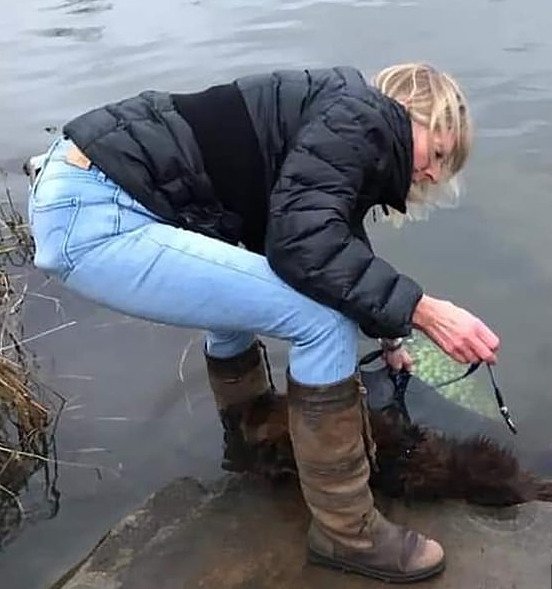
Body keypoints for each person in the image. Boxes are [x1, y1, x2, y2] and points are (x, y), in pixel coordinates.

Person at [27, 63, 499, 583]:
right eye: (437, 154)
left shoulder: (336, 118)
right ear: (412, 113)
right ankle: (348, 533)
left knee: (243, 289)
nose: (434, 175)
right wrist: (424, 310)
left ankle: (251, 436)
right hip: (96, 214)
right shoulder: (360, 117)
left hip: (79, 185)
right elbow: (305, 246)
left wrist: (389, 333)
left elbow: (326, 243)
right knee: (321, 321)